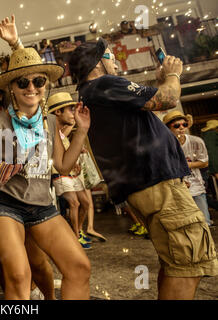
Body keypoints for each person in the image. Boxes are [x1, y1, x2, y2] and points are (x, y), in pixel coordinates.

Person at [69, 38, 218, 299]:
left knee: (175, 260)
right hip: (157, 185)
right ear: (97, 62)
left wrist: (162, 81)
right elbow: (167, 99)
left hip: (148, 186)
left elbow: (146, 112)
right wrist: (172, 75)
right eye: (109, 55)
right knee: (188, 263)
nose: (115, 59)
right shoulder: (103, 84)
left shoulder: (95, 92)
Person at [0, 15, 92, 300]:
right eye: (23, 82)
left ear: (45, 85)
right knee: (18, 275)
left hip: (41, 205)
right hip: (4, 204)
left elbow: (62, 166)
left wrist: (81, 131)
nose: (31, 87)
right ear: (12, 88)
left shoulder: (49, 122)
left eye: (38, 81)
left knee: (79, 267)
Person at [0, 62, 56, 299]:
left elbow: (34, 77)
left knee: (38, 259)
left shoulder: (17, 114)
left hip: (25, 197)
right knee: (3, 261)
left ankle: (43, 295)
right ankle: (21, 295)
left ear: (3, 92)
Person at [47, 92, 92, 249]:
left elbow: (65, 159)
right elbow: (58, 162)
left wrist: (74, 162)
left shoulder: (60, 134)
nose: (73, 113)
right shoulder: (52, 133)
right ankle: (74, 236)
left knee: (84, 203)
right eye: (71, 109)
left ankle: (78, 232)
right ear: (58, 112)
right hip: (58, 175)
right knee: (74, 203)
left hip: (68, 173)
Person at [164, 111, 213, 226]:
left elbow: (205, 163)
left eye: (184, 124)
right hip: (176, 189)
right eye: (176, 125)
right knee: (187, 223)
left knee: (204, 221)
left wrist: (186, 165)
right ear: (168, 128)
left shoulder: (196, 141)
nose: (181, 128)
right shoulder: (165, 145)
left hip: (196, 186)